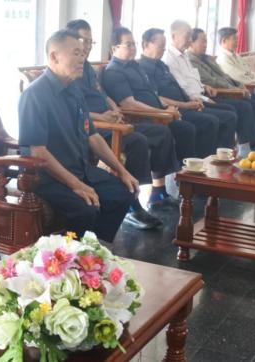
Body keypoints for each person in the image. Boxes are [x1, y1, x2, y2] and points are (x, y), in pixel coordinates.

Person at [18, 29, 138, 243]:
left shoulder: (74, 90)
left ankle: (94, 249)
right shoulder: (34, 95)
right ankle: (68, 254)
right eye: (75, 53)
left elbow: (93, 137)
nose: (82, 58)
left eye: (83, 53)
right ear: (54, 56)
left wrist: (122, 171)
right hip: (48, 178)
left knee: (123, 192)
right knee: (86, 209)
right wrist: (76, 185)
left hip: (81, 169)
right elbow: (38, 152)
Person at [66, 19, 179, 228]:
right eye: (83, 41)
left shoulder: (87, 68)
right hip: (95, 126)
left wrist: (115, 109)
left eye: (90, 41)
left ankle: (158, 190)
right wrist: (102, 118)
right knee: (137, 141)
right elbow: (73, 112)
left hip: (109, 119)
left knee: (161, 132)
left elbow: (102, 94)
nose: (88, 46)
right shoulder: (69, 70)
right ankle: (132, 206)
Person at [100, 27, 204, 162]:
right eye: (128, 45)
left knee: (186, 128)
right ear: (114, 48)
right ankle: (166, 175)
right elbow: (128, 104)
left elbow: (154, 94)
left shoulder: (135, 66)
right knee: (167, 131)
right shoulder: (114, 71)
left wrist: (168, 108)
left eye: (134, 44)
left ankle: (187, 170)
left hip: (156, 114)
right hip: (142, 118)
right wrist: (163, 113)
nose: (133, 48)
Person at [187, 27, 255, 153]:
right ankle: (246, 147)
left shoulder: (207, 58)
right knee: (245, 106)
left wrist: (239, 85)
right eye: (203, 41)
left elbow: (225, 76)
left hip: (229, 91)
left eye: (206, 41)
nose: (206, 45)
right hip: (216, 94)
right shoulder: (191, 60)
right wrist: (234, 89)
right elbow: (210, 81)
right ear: (191, 42)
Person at [159, 21, 239, 150]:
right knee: (223, 117)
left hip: (200, 96)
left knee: (229, 111)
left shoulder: (184, 55)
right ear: (174, 37)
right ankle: (214, 155)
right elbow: (183, 88)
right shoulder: (170, 59)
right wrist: (204, 99)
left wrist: (205, 86)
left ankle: (222, 153)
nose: (190, 40)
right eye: (187, 36)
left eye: (191, 36)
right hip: (191, 101)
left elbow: (192, 78)